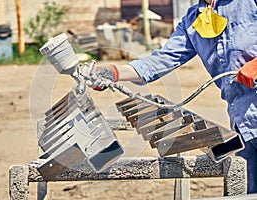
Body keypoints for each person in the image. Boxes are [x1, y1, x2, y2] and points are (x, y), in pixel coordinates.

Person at [93, 0, 257, 194]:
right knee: (248, 191)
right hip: (242, 122)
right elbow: (161, 60)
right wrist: (113, 72)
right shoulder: (193, 20)